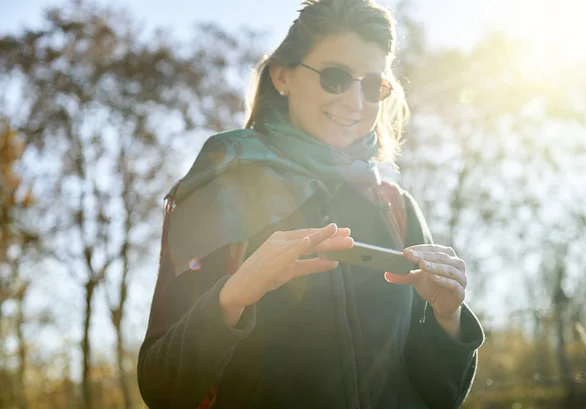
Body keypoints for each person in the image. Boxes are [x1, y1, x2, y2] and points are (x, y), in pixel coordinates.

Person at [137, 0, 485, 408]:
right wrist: (232, 298)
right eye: (335, 78)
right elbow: (162, 389)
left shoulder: (395, 205)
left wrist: (447, 320)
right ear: (282, 75)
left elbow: (440, 397)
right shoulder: (216, 199)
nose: (356, 102)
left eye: (373, 85)